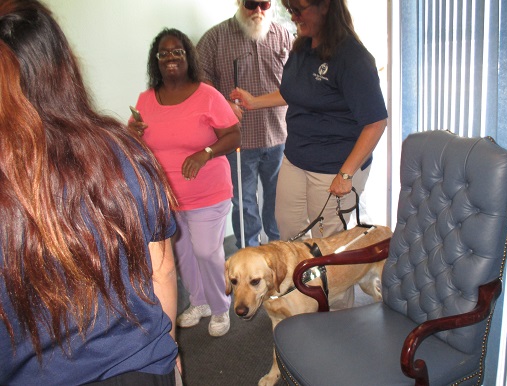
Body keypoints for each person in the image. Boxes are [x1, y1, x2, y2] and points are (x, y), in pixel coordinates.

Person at [0, 1, 180, 385]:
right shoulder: (125, 153)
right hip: (138, 367)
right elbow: (160, 269)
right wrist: (169, 349)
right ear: (64, 66)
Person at [230, 0, 388, 308]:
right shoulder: (302, 47)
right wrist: (254, 101)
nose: (294, 15)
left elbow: (376, 121)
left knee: (332, 247)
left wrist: (346, 174)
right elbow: (293, 92)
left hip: (335, 167)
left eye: (300, 8)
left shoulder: (353, 58)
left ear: (326, 6)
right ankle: (300, 299)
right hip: (297, 157)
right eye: (290, 9)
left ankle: (339, 315)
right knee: (289, 232)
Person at [129, 29, 241, 337]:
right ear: (156, 61)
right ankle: (200, 302)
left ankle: (220, 307)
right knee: (182, 254)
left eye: (177, 51)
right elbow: (135, 140)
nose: (170, 58)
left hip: (208, 192)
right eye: (163, 54)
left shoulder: (207, 95)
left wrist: (205, 153)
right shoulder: (146, 100)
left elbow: (233, 135)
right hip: (166, 195)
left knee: (207, 251)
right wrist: (134, 133)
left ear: (187, 56)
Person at [197, 0, 293, 249]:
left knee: (277, 199)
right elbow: (199, 81)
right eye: (251, 4)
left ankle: (277, 251)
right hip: (240, 140)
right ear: (239, 3)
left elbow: (296, 82)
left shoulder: (283, 35)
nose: (258, 11)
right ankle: (248, 253)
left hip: (279, 136)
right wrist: (223, 104)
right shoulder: (215, 38)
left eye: (264, 3)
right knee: (244, 203)